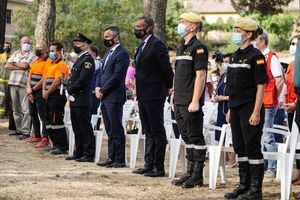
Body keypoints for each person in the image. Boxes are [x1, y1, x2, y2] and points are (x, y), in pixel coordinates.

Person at [224, 17, 267, 200]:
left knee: (252, 147)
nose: (235, 33)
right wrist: (230, 109)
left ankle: (255, 189)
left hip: (250, 108)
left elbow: (261, 86)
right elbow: (233, 87)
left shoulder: (256, 56)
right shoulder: (235, 55)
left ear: (248, 34)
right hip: (236, 108)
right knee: (240, 147)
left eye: (238, 30)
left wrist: (256, 111)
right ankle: (244, 185)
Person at [132, 16, 174, 177]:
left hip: (155, 92)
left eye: (139, 26)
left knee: (157, 130)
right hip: (143, 93)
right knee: (147, 130)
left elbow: (166, 68)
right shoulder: (142, 46)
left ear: (148, 28)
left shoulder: (157, 44)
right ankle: (148, 164)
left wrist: (169, 86)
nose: (137, 29)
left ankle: (158, 166)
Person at [171, 11, 208, 188]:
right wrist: (173, 95)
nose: (180, 24)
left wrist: (195, 100)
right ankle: (190, 171)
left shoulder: (198, 47)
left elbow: (200, 76)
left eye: (182, 22)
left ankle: (197, 175)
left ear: (192, 26)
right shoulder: (181, 46)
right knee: (186, 136)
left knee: (195, 136)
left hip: (190, 101)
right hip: (179, 99)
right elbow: (178, 75)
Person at [95, 26, 130, 168]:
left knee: (116, 128)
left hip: (114, 96)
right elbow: (102, 73)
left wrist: (103, 90)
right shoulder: (108, 52)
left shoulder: (122, 53)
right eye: (104, 36)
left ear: (117, 37)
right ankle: (111, 157)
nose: (106, 39)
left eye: (108, 36)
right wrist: (97, 87)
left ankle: (120, 159)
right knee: (109, 128)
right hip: (104, 95)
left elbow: (117, 76)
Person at [255, 31, 284, 178]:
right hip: (258, 103)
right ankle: (264, 166)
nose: (254, 42)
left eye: (256, 39)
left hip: (267, 102)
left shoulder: (271, 58)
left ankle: (271, 168)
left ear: (262, 41)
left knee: (267, 136)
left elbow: (279, 81)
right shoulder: (258, 57)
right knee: (259, 136)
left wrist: (274, 97)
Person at [65, 34, 95, 162]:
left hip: (82, 97)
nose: (75, 46)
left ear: (85, 45)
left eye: (78, 44)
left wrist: (70, 89)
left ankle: (88, 153)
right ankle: (79, 151)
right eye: (75, 43)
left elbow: (83, 80)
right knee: (76, 127)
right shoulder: (79, 59)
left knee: (84, 127)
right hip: (75, 98)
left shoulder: (88, 59)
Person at [5, 36, 35, 139]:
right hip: (13, 83)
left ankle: (26, 131)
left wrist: (14, 64)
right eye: (24, 42)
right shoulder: (16, 53)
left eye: (28, 42)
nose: (26, 44)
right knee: (15, 108)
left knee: (25, 109)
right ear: (20, 44)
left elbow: (25, 66)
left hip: (23, 83)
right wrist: (18, 64)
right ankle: (19, 129)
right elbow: (7, 65)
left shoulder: (32, 54)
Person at [43, 42, 69, 155]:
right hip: (47, 95)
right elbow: (45, 77)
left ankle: (62, 146)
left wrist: (48, 92)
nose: (51, 53)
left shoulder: (62, 64)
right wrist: (44, 90)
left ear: (59, 52)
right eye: (50, 50)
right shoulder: (50, 63)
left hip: (56, 95)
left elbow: (57, 81)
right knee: (48, 121)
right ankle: (55, 144)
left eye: (53, 51)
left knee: (56, 120)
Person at [212, 53, 237, 168]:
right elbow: (218, 90)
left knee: (230, 135)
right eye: (224, 62)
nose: (225, 64)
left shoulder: (235, 76)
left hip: (230, 108)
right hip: (221, 109)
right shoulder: (223, 76)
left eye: (228, 61)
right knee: (220, 134)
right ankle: (224, 160)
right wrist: (217, 98)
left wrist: (224, 98)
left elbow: (236, 95)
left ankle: (232, 160)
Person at [26, 43, 51, 148]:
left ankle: (45, 137)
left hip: (40, 91)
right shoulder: (35, 61)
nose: (37, 50)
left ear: (45, 50)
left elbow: (44, 78)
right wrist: (28, 89)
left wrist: (33, 89)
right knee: (33, 113)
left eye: (39, 48)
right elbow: (29, 76)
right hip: (31, 91)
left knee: (42, 114)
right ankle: (37, 135)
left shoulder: (48, 61)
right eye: (36, 48)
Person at [0, 41, 16, 131]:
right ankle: (2, 114)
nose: (7, 47)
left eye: (8, 46)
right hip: (2, 81)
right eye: (5, 46)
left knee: (11, 98)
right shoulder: (1, 57)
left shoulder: (14, 57)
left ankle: (10, 114)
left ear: (11, 47)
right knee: (2, 98)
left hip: (12, 81)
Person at [284, 36, 298, 131]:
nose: (292, 46)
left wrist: (296, 104)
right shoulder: (291, 64)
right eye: (291, 44)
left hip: (297, 106)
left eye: (295, 44)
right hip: (290, 107)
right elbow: (287, 85)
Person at [89, 45, 102, 129]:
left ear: (93, 54)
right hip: (89, 94)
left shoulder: (97, 63)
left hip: (94, 94)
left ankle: (94, 130)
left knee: (94, 113)